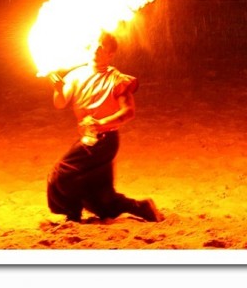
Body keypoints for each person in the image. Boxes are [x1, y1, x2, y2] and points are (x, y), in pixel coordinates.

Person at [46, 32, 162, 224]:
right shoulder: (76, 75)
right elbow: (60, 103)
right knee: (102, 200)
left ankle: (72, 215)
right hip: (88, 138)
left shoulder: (116, 80)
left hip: (105, 140)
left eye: (102, 48)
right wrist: (58, 89)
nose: (96, 50)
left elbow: (128, 112)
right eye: (94, 45)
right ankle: (142, 207)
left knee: (61, 173)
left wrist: (101, 123)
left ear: (110, 55)